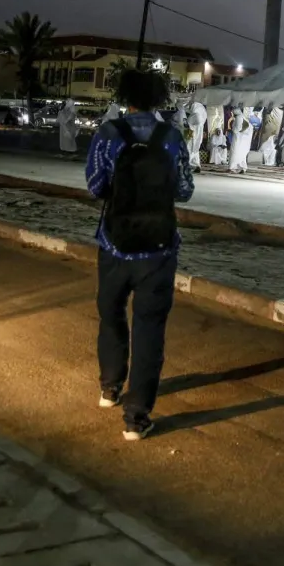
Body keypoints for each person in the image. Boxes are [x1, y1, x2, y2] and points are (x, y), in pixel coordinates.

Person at [85, 68, 194, 441]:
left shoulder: (108, 134)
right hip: (159, 249)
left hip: (114, 244)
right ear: (158, 98)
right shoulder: (172, 137)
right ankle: (136, 417)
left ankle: (110, 387)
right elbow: (185, 190)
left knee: (111, 313)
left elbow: (95, 185)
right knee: (150, 327)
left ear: (125, 97)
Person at [227, 107, 253, 174]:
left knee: (234, 153)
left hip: (238, 139)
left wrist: (232, 130)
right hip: (244, 140)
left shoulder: (239, 118)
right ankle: (242, 168)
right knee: (242, 155)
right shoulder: (244, 117)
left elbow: (237, 129)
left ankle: (232, 168)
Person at [187, 101, 207, 170]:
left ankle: (187, 165)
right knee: (195, 150)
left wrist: (188, 137)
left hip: (192, 136)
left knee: (189, 150)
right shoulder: (201, 116)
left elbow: (189, 126)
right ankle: (196, 165)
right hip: (198, 137)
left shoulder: (195, 115)